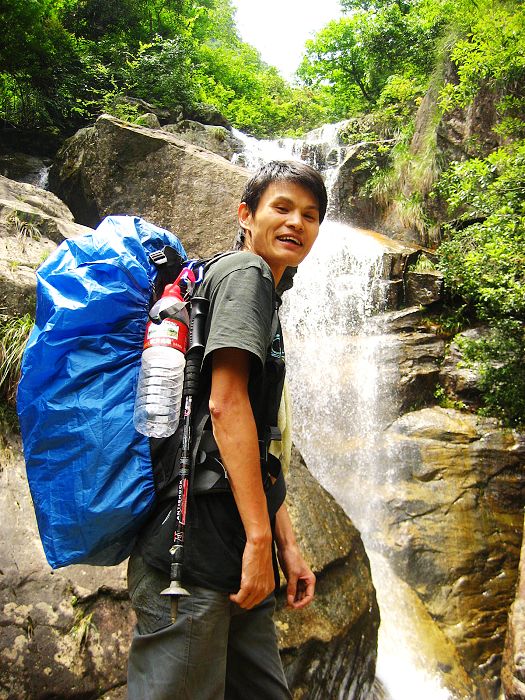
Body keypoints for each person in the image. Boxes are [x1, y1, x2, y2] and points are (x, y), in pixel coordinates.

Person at [127, 160, 328, 699]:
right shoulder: (246, 274)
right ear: (246, 214)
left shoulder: (245, 286)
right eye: (282, 208)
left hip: (233, 557)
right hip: (193, 557)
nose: (296, 223)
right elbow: (226, 405)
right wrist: (261, 542)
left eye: (310, 215)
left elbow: (258, 444)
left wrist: (285, 545)